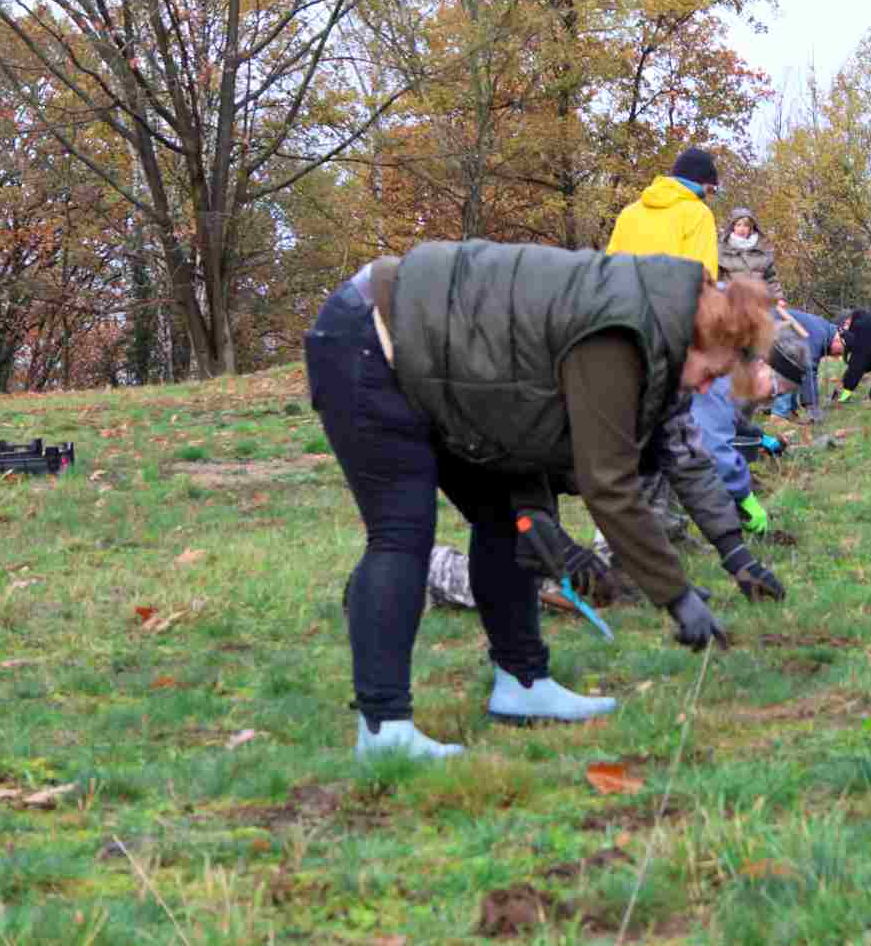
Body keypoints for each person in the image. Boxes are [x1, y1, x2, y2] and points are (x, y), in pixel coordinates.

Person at [304, 241, 773, 760]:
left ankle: (522, 683)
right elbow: (609, 482)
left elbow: (524, 401)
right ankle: (383, 730)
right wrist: (677, 596)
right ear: (697, 339)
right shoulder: (620, 333)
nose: (707, 387)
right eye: (710, 374)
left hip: (447, 370)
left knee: (504, 517)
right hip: (371, 338)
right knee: (401, 531)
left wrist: (734, 552)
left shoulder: (662, 317)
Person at [691, 326, 811, 536]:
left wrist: (760, 437)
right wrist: (742, 494)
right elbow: (713, 442)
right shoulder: (720, 375)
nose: (771, 400)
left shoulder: (738, 370)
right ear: (760, 365)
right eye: (774, 391)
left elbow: (734, 420)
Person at [606, 146, 719, 275]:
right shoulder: (699, 214)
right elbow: (702, 276)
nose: (707, 195)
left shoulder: (629, 212)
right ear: (701, 184)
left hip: (623, 294)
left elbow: (609, 268)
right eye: (710, 190)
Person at [770, 307, 835, 421]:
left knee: (795, 363)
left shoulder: (823, 329)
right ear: (839, 339)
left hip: (771, 324)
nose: (838, 355)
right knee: (789, 366)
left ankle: (789, 411)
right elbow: (808, 367)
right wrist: (812, 406)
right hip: (768, 324)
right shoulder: (820, 335)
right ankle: (779, 415)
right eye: (841, 351)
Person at [719, 208, 782, 305]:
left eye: (746, 225)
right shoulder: (722, 249)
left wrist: (778, 298)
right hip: (731, 302)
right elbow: (716, 278)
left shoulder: (763, 249)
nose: (742, 229)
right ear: (732, 227)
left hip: (757, 302)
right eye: (738, 225)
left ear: (751, 228)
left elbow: (771, 278)